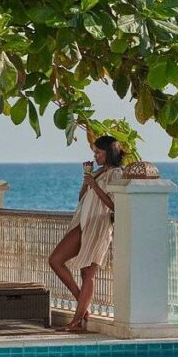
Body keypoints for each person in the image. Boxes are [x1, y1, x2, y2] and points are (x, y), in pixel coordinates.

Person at [48, 136, 126, 332]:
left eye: (99, 152)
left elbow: (115, 205)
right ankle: (81, 304)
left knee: (87, 273)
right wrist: (88, 179)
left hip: (99, 224)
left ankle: (76, 321)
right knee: (55, 260)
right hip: (83, 223)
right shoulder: (99, 172)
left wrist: (94, 185)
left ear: (109, 153)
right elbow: (81, 198)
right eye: (95, 152)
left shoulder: (116, 173)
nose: (95, 155)